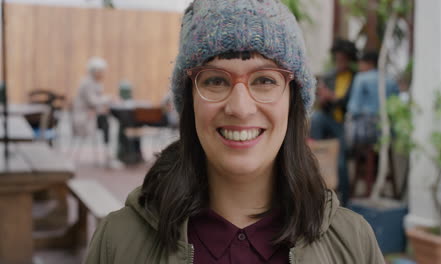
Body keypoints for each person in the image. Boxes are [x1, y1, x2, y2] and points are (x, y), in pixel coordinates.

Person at [85, 1, 384, 263]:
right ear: (189, 99)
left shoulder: (353, 243)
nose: (240, 108)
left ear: (293, 100)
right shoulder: (119, 243)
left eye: (265, 80)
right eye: (215, 80)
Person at [309, 38, 358, 205]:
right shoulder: (330, 76)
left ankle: (345, 201)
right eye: (337, 58)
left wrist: (331, 97)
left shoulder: (354, 78)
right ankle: (313, 149)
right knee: (316, 118)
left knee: (341, 162)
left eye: (343, 58)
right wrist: (323, 98)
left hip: (344, 124)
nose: (340, 62)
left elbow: (349, 103)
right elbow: (322, 102)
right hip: (327, 120)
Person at [71, 57, 112, 162]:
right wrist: (109, 98)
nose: (103, 74)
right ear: (95, 71)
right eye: (101, 71)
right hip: (84, 118)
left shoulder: (96, 83)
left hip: (91, 115)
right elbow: (93, 102)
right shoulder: (87, 83)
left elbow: (96, 104)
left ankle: (108, 152)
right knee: (105, 121)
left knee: (105, 119)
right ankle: (108, 153)